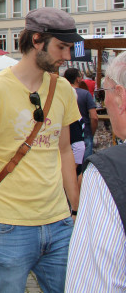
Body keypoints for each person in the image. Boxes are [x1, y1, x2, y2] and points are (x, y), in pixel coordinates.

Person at [0, 8, 81, 292]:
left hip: (59, 223)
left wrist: (75, 209)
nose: (67, 56)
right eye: (61, 47)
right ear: (37, 40)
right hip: (7, 225)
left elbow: (64, 151)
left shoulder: (62, 89)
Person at [66, 52, 126, 290]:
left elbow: (93, 283)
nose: (104, 103)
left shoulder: (107, 173)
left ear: (121, 97)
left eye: (104, 94)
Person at [63, 68, 98, 163]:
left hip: (64, 134)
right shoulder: (85, 94)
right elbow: (94, 117)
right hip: (84, 132)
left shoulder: (61, 93)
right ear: (78, 79)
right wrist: (91, 132)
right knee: (85, 166)